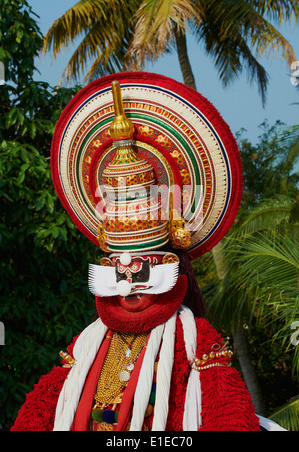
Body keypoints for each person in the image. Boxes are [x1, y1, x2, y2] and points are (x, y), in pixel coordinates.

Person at [11, 72, 279, 432]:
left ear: (168, 264)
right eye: (118, 271)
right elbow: (42, 406)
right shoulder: (87, 344)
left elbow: (227, 411)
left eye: (141, 270)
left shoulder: (195, 340)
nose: (126, 285)